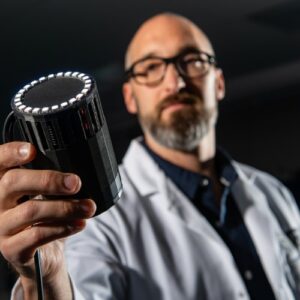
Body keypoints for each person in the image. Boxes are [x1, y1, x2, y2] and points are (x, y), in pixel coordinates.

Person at [1, 12, 300, 300]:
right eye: (151, 67)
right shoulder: (96, 217)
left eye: (192, 61)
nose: (175, 83)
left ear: (218, 83)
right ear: (130, 97)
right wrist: (47, 279)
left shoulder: (272, 193)